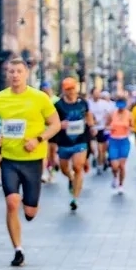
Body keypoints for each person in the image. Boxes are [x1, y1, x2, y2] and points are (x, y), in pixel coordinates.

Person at [0, 58, 61, 267]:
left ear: (26, 74)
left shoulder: (40, 98)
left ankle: (31, 206)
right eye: (11, 71)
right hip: (9, 159)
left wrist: (38, 140)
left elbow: (55, 125)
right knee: (11, 202)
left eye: (19, 71)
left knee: (29, 212)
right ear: (7, 74)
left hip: (33, 160)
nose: (15, 75)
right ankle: (18, 249)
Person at [52, 78, 93, 212]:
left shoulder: (83, 103)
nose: (71, 91)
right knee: (64, 169)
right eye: (68, 89)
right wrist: (60, 125)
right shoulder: (59, 105)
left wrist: (91, 126)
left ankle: (74, 198)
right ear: (64, 90)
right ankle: (70, 178)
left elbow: (88, 115)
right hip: (64, 142)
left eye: (72, 88)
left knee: (78, 166)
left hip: (80, 140)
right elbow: (52, 121)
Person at [107, 94, 133, 194]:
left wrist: (129, 129)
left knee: (121, 166)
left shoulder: (129, 115)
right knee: (114, 166)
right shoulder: (111, 114)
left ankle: (121, 184)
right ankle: (114, 177)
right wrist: (110, 128)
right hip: (113, 141)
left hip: (124, 141)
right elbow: (106, 125)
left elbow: (133, 127)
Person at [88, 88, 117, 177]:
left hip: (102, 128)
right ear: (92, 94)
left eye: (98, 93)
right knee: (94, 148)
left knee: (101, 149)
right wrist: (92, 122)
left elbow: (110, 114)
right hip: (92, 128)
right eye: (95, 93)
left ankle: (99, 166)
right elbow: (86, 114)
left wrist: (107, 123)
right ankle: (95, 157)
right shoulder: (88, 103)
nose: (97, 95)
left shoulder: (104, 104)